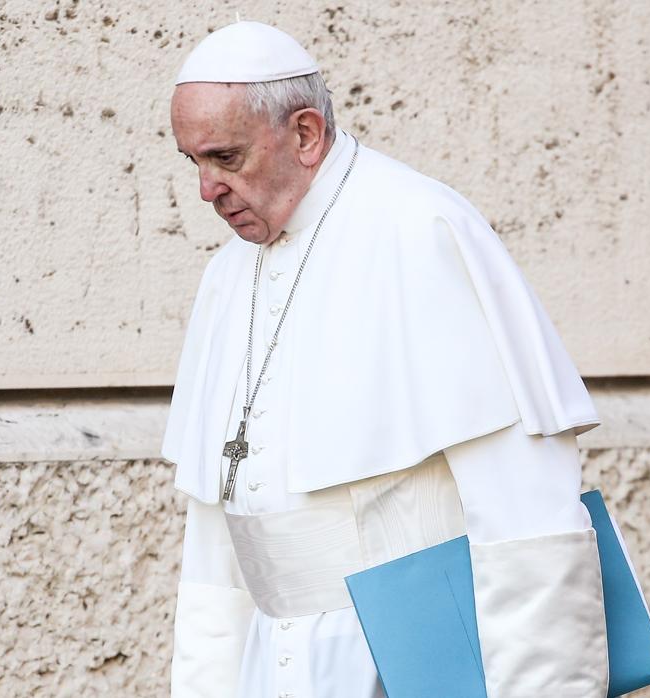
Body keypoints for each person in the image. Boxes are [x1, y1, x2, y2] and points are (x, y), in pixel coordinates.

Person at [162, 20, 610, 698]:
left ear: (306, 135)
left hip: (406, 668)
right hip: (269, 666)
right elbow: (215, 555)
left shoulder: (420, 231)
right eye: (193, 162)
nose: (206, 189)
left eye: (225, 158)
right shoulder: (228, 274)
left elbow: (528, 523)